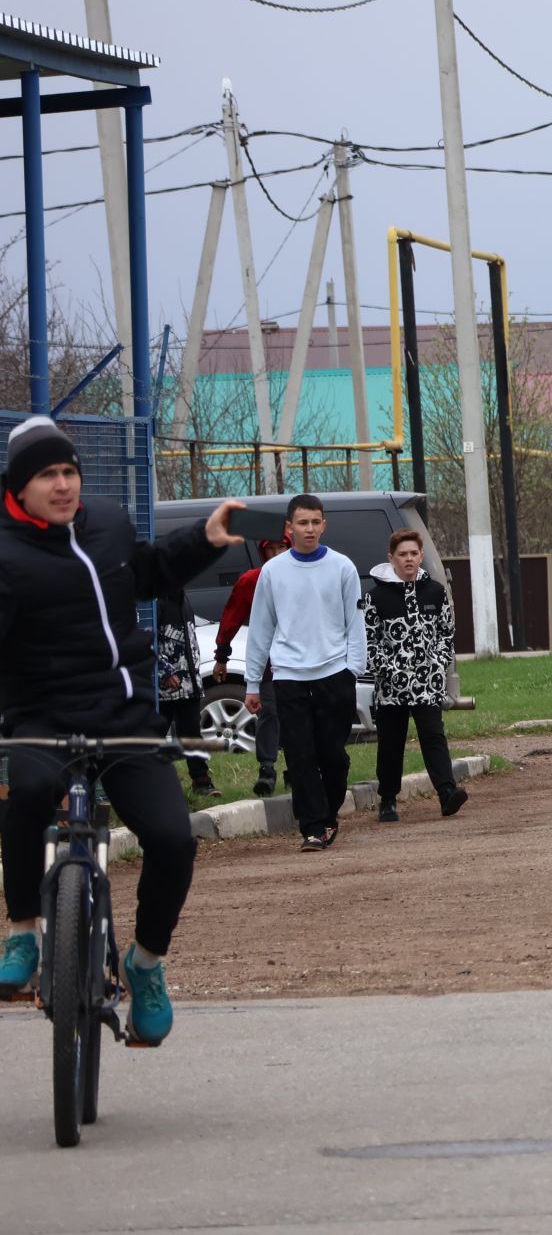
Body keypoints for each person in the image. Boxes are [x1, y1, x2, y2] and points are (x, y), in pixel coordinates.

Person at [0, 416, 245, 1042]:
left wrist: (205, 540)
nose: (63, 485)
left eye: (69, 472)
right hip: (41, 716)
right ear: (19, 487)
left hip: (126, 714)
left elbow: (149, 572)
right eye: (47, 475)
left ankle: (146, 964)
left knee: (173, 838)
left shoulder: (106, 521)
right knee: (27, 794)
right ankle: (24, 932)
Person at [245, 494, 366, 853]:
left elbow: (354, 624)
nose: (309, 529)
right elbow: (260, 629)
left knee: (332, 755)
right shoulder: (273, 572)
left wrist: (352, 671)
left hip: (334, 674)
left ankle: (327, 816)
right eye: (302, 522)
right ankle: (313, 827)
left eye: (315, 522)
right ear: (289, 528)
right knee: (299, 755)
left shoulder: (342, 567)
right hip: (288, 675)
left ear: (323, 525)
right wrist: (253, 682)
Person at [365, 529, 465, 823]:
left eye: (413, 554)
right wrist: (388, 670)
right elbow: (370, 641)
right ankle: (387, 799)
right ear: (391, 558)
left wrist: (439, 663)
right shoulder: (376, 597)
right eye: (402, 554)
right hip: (391, 686)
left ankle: (447, 792)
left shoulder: (434, 591)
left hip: (428, 685)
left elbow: (447, 634)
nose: (408, 559)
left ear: (421, 556)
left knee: (433, 736)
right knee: (391, 742)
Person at [212, 532, 287, 796]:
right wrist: (222, 655)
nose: (278, 553)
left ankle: (300, 769)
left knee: (302, 715)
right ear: (263, 553)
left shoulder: (306, 574)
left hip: (304, 661)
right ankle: (267, 768)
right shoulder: (252, 580)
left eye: (283, 547)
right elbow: (231, 617)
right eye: (272, 549)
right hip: (267, 660)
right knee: (270, 712)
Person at [156, 580, 218, 797]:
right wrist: (164, 671)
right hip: (165, 686)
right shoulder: (154, 601)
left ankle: (202, 782)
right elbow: (145, 639)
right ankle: (145, 784)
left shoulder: (183, 598)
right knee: (153, 734)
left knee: (191, 732)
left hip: (190, 683)